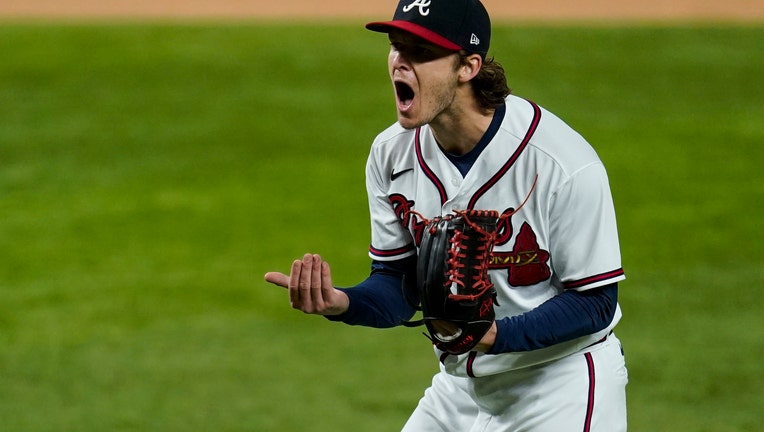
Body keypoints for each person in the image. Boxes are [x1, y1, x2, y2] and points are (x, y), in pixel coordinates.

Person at [264, 0, 628, 430]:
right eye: (397, 46)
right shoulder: (390, 154)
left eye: (421, 52)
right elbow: (398, 284)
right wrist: (342, 303)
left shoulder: (560, 164)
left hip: (560, 387)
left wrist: (493, 334)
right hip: (460, 390)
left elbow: (595, 302)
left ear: (468, 66)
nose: (400, 63)